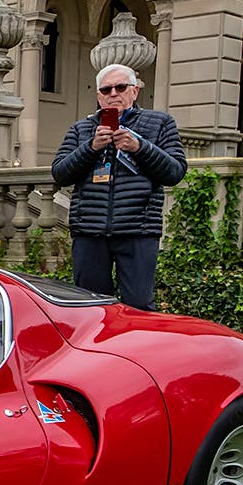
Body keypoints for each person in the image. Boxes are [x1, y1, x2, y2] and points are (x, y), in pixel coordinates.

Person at [52, 63, 186, 310]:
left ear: (134, 91)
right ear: (98, 96)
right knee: (90, 308)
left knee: (139, 307)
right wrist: (90, 148)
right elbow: (59, 173)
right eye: (106, 90)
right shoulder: (82, 129)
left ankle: (136, 350)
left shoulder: (160, 123)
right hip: (89, 231)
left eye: (120, 87)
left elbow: (175, 172)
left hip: (138, 230)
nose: (113, 94)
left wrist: (140, 147)